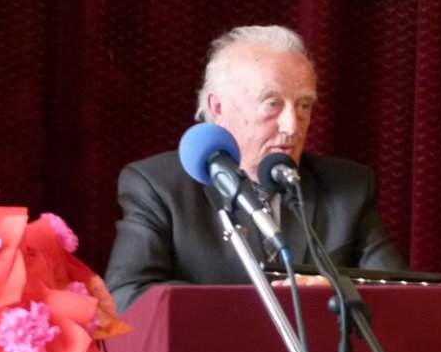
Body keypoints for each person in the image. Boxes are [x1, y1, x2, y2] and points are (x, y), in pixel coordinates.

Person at [103, 24, 407, 311]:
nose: (292, 126)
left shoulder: (348, 188)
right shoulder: (159, 186)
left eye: (303, 105)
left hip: (321, 351)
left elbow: (405, 295)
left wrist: (336, 293)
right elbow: (128, 296)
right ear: (219, 108)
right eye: (272, 104)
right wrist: (256, 311)